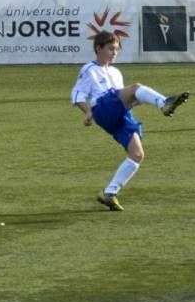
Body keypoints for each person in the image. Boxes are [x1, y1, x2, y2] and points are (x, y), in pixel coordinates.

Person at [71, 31, 188, 211]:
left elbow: (127, 99)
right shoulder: (89, 70)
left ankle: (109, 192)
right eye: (110, 48)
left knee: (137, 154)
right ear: (98, 48)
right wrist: (87, 111)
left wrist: (139, 99)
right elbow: (78, 94)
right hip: (102, 108)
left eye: (116, 49)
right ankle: (164, 103)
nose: (114, 52)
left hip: (119, 113)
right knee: (136, 88)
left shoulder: (116, 72)